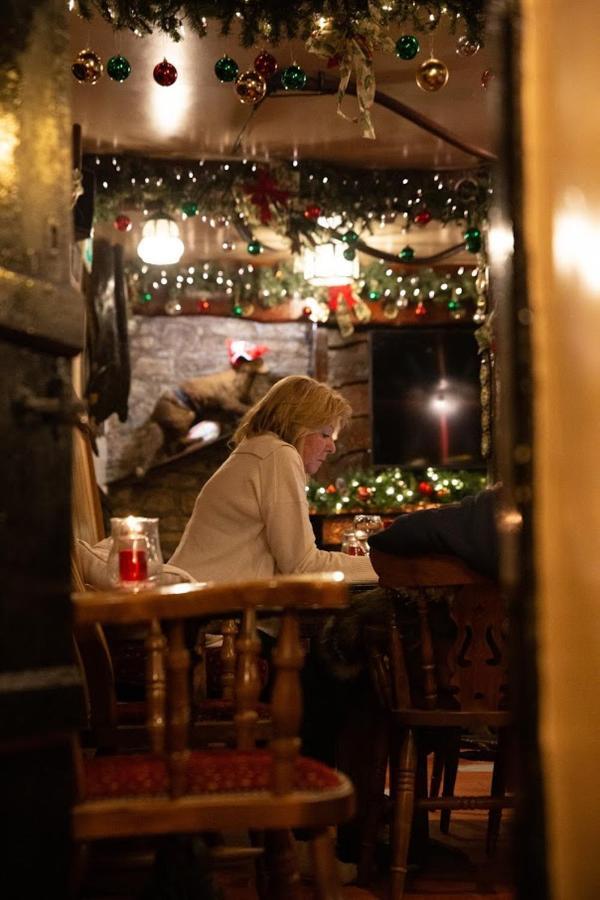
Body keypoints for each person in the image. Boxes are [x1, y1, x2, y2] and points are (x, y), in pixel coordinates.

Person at [169, 374, 377, 585]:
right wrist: (386, 566)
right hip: (206, 608)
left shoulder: (258, 450)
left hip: (196, 600)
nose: (331, 447)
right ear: (298, 426)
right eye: (325, 435)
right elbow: (303, 566)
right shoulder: (278, 455)